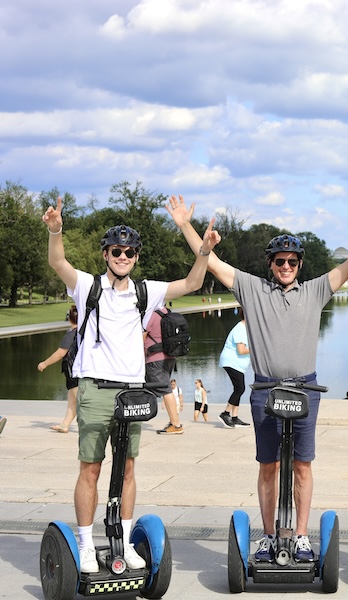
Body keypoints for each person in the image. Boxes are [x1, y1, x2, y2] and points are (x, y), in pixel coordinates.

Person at [168, 194, 348, 563]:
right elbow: (214, 264)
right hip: (265, 389)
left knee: (302, 464)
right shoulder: (252, 289)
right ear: (270, 264)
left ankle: (301, 536)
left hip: (305, 387)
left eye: (291, 261)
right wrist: (185, 226)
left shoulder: (316, 289)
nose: (285, 266)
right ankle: (269, 534)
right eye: (279, 261)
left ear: (299, 264)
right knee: (268, 466)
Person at [42, 197, 218, 574]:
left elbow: (193, 282)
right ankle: (86, 543)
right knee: (91, 468)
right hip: (95, 390)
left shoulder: (144, 291)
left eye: (130, 252)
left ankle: (121, 540)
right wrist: (56, 230)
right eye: (117, 251)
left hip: (132, 393)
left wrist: (203, 252)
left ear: (136, 257)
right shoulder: (88, 287)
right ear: (106, 254)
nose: (123, 256)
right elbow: (58, 262)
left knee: (128, 469)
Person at [38, 305, 79, 433]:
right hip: (79, 371)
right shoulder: (84, 333)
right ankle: (65, 424)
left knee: (80, 401)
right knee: (72, 399)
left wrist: (44, 363)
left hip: (74, 371)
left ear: (69, 318)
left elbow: (60, 353)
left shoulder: (72, 334)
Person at [145, 307, 184, 435]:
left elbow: (142, 337)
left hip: (154, 358)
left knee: (165, 390)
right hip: (169, 357)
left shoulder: (151, 315)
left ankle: (176, 424)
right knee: (165, 388)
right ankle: (174, 422)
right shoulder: (167, 312)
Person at [218, 310, 251, 428]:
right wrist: (256, 349)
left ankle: (235, 417)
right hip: (231, 362)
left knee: (238, 388)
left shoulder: (244, 328)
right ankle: (225, 413)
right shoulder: (240, 329)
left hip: (237, 364)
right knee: (240, 388)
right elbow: (241, 351)